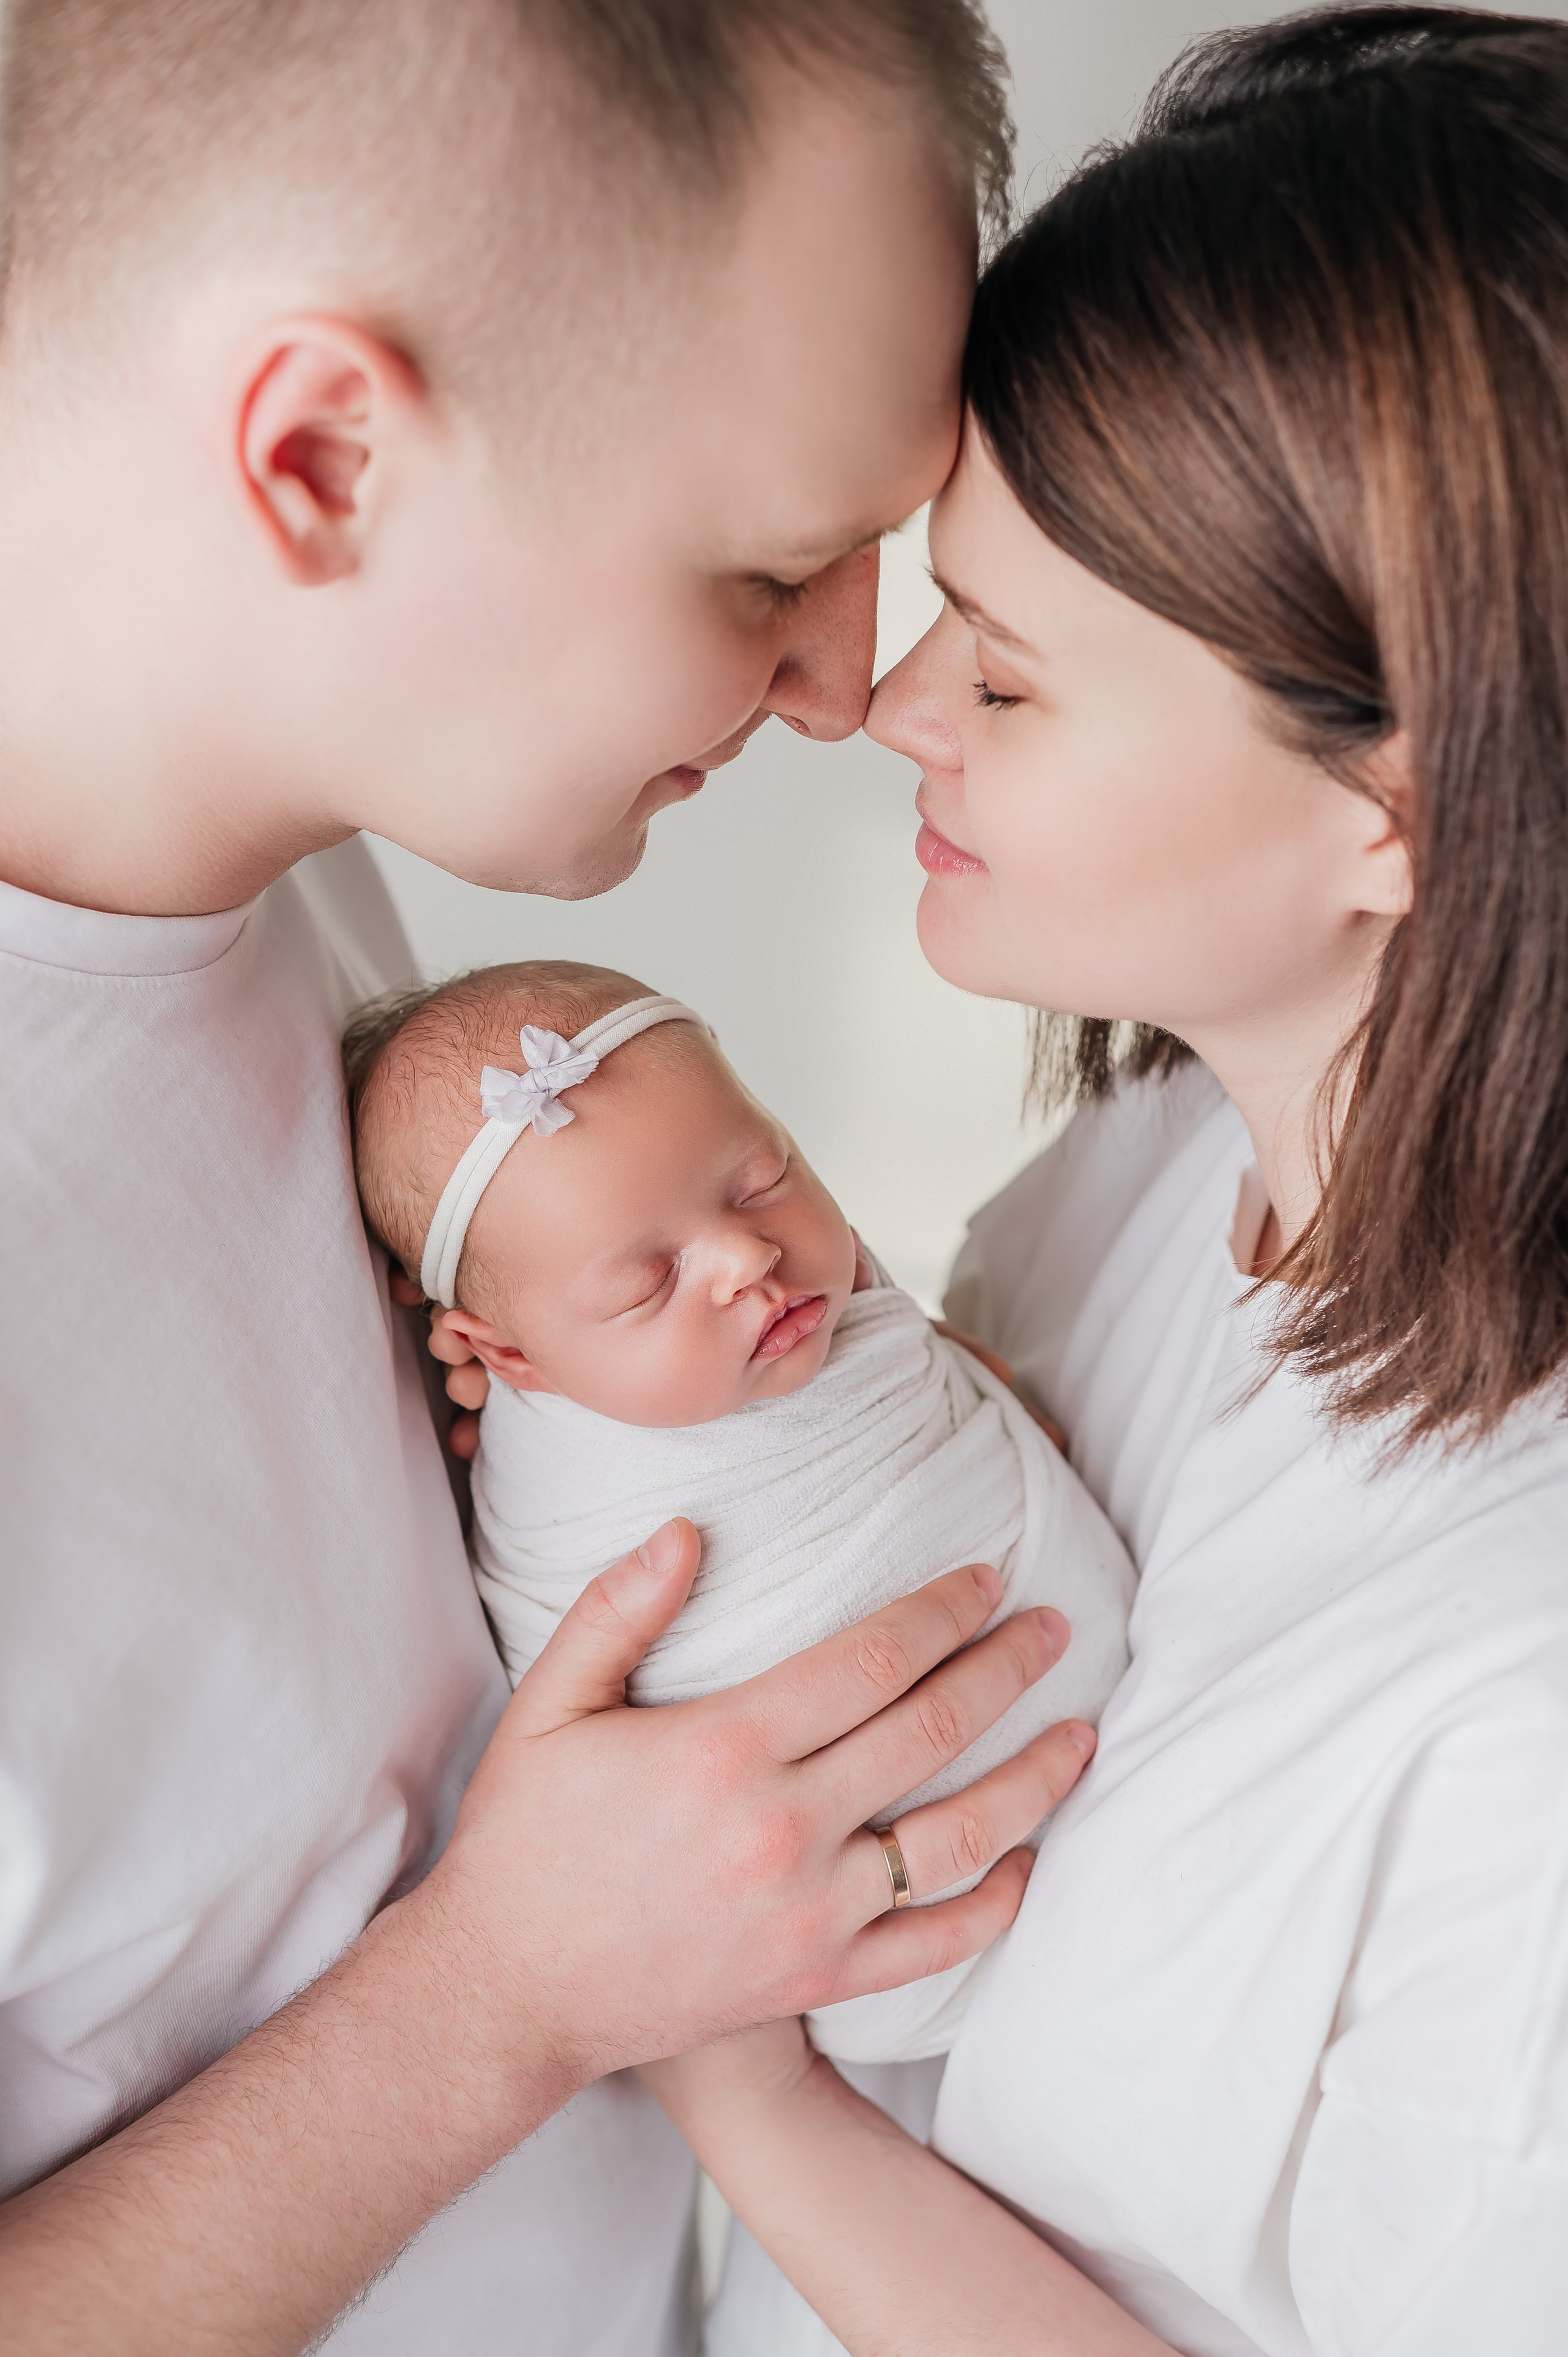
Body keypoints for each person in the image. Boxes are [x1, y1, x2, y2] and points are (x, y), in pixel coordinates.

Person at [0, 6, 1096, 2352]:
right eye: (768, 566)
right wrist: (496, 2002)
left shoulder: (296, 902)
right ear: (319, 458)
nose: (841, 682)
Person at [645, 13, 1568, 2356]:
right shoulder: (1142, 1188)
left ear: (1404, 805)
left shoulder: (1526, 1695)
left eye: (1019, 677)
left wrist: (721, 2069)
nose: (889, 700)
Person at [342, 957, 1134, 2064]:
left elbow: (899, 1347)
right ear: (509, 1356)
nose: (747, 1257)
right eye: (645, 1285)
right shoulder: (562, 1505)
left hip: (1141, 1740)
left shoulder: (811, 1290)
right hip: (897, 1918)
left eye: (762, 1179)